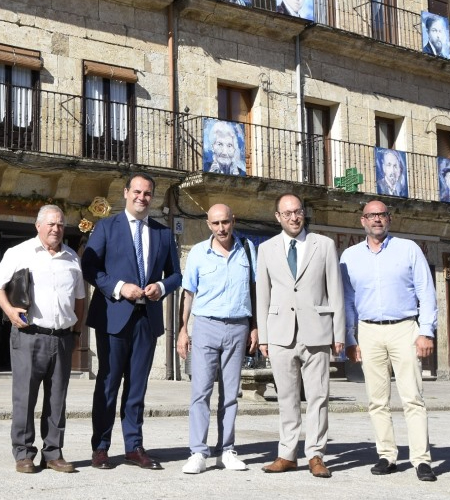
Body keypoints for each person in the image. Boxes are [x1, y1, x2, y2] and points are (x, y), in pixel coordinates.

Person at [83, 173, 182, 470]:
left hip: (146, 319)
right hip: (114, 315)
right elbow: (89, 267)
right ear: (126, 193)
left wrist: (161, 288)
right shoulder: (106, 227)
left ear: (153, 197)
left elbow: (176, 275)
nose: (142, 197)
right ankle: (100, 448)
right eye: (137, 191)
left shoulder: (163, 234)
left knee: (137, 387)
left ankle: (133, 446)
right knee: (108, 384)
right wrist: (118, 287)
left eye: (147, 193)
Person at [339, 200, 438, 482]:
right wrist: (349, 337)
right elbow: (347, 300)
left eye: (382, 215)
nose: (377, 220)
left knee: (413, 397)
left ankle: (421, 460)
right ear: (362, 221)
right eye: (371, 216)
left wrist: (426, 331)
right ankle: (387, 455)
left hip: (404, 328)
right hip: (368, 331)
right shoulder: (349, 256)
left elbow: (426, 292)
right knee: (376, 399)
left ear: (389, 219)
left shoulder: (409, 249)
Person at [0, 205, 86, 474]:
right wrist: (9, 311)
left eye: (60, 224)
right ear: (38, 226)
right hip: (28, 336)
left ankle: (53, 453)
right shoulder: (18, 253)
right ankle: (23, 453)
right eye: (51, 224)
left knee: (57, 399)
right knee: (25, 397)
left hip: (63, 338)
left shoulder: (72, 258)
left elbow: (80, 299)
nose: (56, 229)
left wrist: (77, 333)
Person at [255, 193, 344, 478]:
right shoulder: (266, 249)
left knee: (318, 396)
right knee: (287, 398)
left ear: (303, 213)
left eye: (298, 211)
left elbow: (336, 292)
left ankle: (316, 454)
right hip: (281, 333)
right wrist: (265, 336)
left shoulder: (325, 245)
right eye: (288, 213)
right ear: (278, 217)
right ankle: (287, 454)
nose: (294, 217)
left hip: (317, 332)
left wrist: (338, 332)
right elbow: (262, 295)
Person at [176, 204, 257, 475]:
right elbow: (188, 294)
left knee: (230, 394)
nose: (221, 228)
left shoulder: (247, 249)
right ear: (208, 224)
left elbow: (254, 291)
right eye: (216, 223)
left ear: (233, 221)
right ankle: (198, 452)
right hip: (206, 327)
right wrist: (183, 330)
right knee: (201, 392)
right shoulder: (199, 252)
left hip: (238, 327)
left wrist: (255, 327)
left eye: (225, 222)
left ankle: (227, 450)